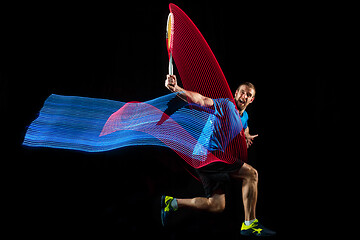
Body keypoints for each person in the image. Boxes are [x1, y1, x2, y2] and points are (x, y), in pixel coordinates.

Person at [161, 75, 275, 237]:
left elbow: (245, 127)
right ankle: (250, 224)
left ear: (252, 99)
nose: (245, 96)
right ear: (236, 93)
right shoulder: (226, 105)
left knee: (216, 205)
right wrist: (176, 88)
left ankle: (171, 203)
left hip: (203, 157)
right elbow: (200, 100)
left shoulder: (244, 117)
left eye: (249, 95)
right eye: (243, 92)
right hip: (207, 153)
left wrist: (246, 136)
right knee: (251, 174)